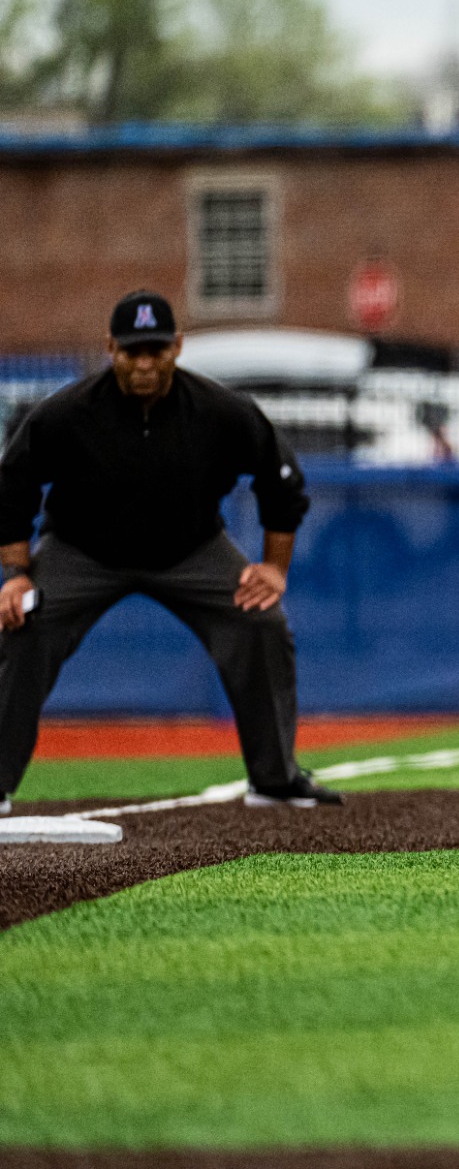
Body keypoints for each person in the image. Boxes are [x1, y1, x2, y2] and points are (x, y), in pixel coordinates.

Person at [0, 291, 341, 812]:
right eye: (131, 351)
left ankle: (275, 779)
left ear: (177, 347)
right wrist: (17, 575)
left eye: (155, 350)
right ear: (110, 347)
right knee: (23, 626)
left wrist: (273, 568)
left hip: (192, 550)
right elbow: (13, 491)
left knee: (260, 622)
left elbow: (282, 482)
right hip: (81, 551)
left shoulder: (220, 411)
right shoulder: (65, 414)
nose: (143, 363)